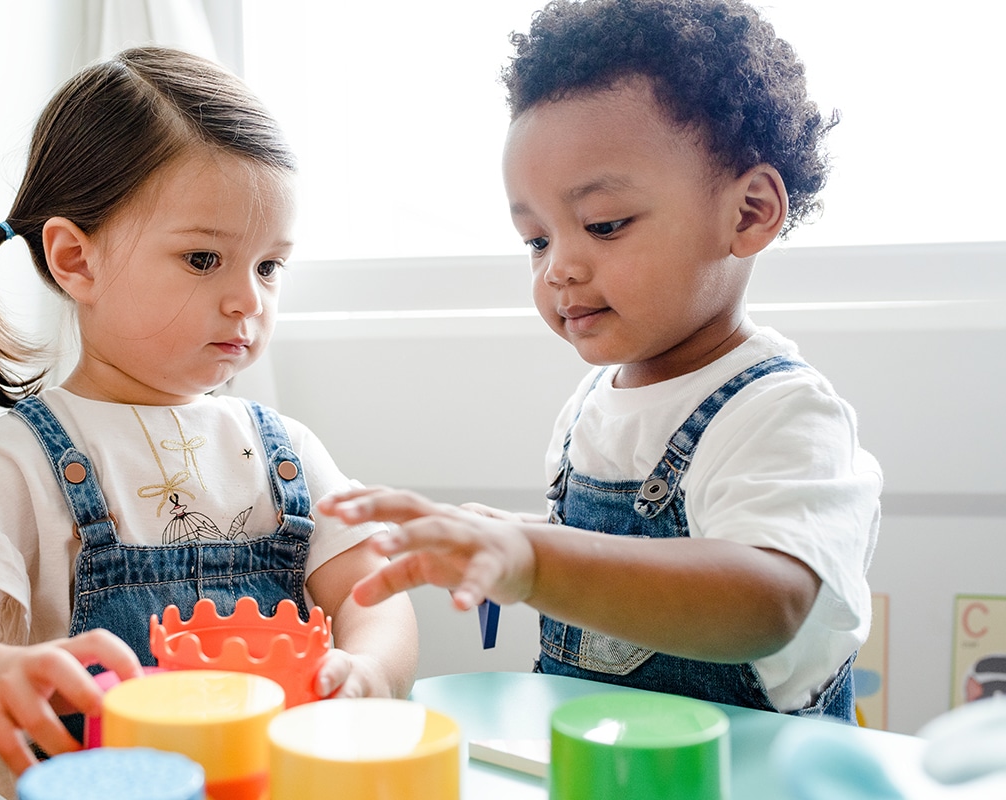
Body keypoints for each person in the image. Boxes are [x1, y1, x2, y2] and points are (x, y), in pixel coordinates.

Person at [0, 46, 417, 795]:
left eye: (270, 266)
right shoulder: (24, 458)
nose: (249, 300)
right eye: (205, 259)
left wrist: (370, 670)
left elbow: (374, 592)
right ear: (77, 260)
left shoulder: (285, 452)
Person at [320, 0, 879, 723]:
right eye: (536, 239)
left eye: (604, 225)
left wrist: (535, 558)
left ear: (748, 213)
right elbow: (619, 556)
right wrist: (504, 540)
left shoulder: (781, 414)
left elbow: (767, 600)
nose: (559, 268)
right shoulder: (591, 405)